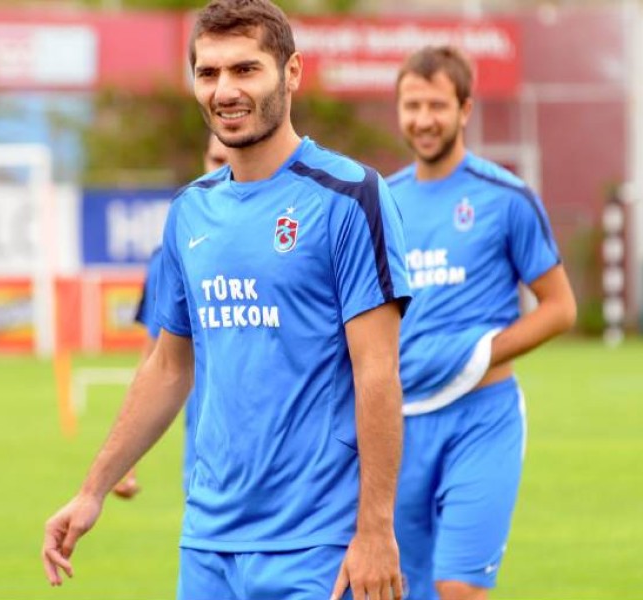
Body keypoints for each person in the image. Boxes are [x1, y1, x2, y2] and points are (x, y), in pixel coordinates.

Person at [41, 1, 412, 598]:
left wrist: (374, 530)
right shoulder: (190, 210)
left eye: (245, 70)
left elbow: (378, 372)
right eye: (208, 73)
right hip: (209, 542)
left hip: (315, 542)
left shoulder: (351, 197)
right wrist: (92, 490)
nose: (224, 90)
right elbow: (168, 366)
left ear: (291, 73)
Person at [386, 45, 577, 600]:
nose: (424, 120)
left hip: (482, 420)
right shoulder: (383, 203)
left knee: (458, 589)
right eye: (412, 105)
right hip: (398, 425)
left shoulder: (506, 197)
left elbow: (560, 307)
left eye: (437, 106)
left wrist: (476, 354)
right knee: (398, 586)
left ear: (465, 109)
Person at [119, 132, 230, 497]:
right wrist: (126, 459)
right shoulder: (172, 253)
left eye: (230, 161)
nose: (222, 170)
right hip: (205, 460)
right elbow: (155, 359)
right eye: (215, 160)